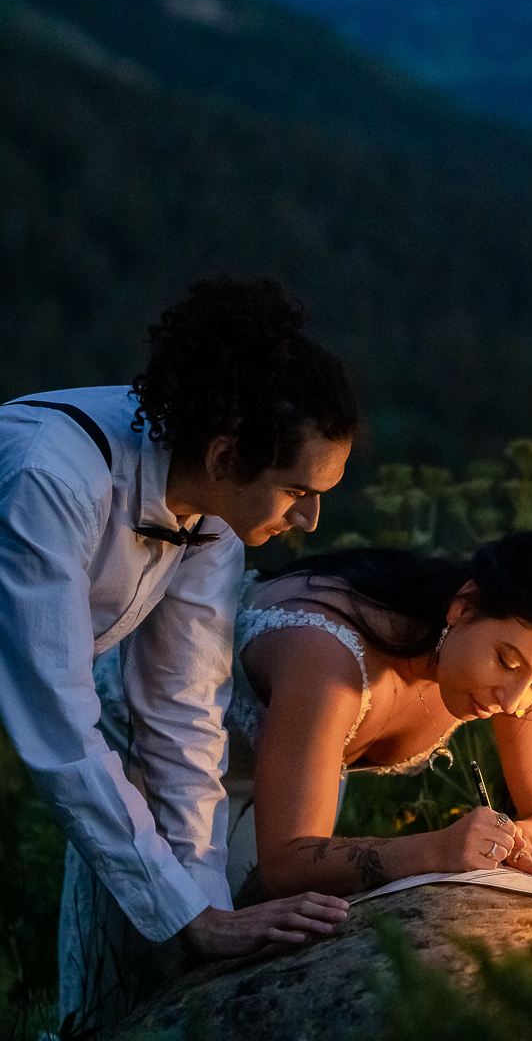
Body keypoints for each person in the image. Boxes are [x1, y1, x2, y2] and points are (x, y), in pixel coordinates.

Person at [0, 277, 356, 1029]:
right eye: (298, 489)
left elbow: (182, 713)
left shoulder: (214, 513)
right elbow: (60, 728)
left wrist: (210, 918)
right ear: (227, 452)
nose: (311, 518)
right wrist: (180, 912)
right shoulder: (51, 477)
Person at [225, 531, 532, 899]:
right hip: (190, 778)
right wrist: (434, 850)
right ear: (464, 606)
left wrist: (513, 839)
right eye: (506, 662)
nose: (512, 702)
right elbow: (283, 866)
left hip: (292, 808)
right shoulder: (328, 658)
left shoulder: (526, 668)